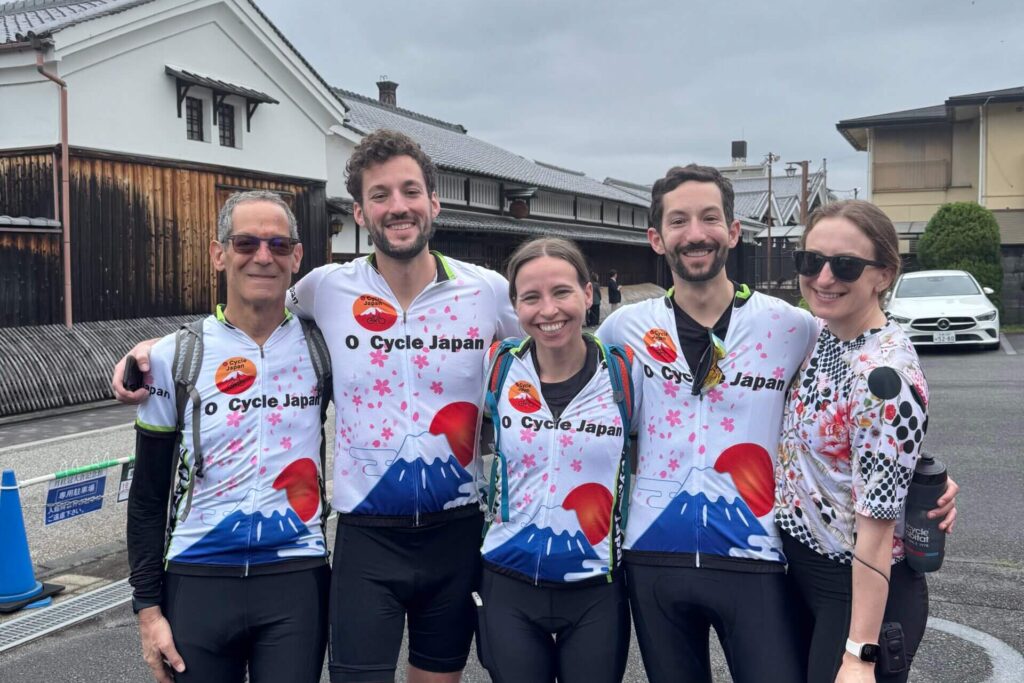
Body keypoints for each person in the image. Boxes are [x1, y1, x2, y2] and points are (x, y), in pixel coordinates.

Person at [114, 129, 520, 683]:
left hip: (456, 531)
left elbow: (551, 339)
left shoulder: (487, 291)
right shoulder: (326, 289)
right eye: (380, 195)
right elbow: (250, 304)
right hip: (365, 538)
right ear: (360, 210)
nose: (397, 206)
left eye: (410, 191)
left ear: (434, 202)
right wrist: (154, 351)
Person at [596, 166, 957, 683]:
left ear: (734, 231)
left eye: (709, 218)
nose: (695, 233)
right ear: (656, 238)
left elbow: (886, 411)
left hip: (761, 556)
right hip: (659, 551)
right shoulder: (620, 330)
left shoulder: (794, 325)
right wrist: (926, 478)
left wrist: (923, 483)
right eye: (679, 220)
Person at [127, 190, 331, 683]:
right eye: (246, 242)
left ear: (296, 258)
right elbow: (148, 495)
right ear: (219, 254)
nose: (263, 256)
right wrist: (148, 612)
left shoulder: (322, 347)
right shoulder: (174, 357)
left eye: (279, 245)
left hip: (296, 575)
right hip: (197, 575)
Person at [775, 200, 938, 682]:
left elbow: (879, 525)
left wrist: (859, 654)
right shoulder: (823, 333)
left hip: (859, 584)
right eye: (810, 261)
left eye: (844, 265)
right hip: (804, 567)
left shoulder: (884, 376)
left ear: (883, 275)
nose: (823, 278)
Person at [475, 238, 642, 683]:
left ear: (588, 294)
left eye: (562, 292)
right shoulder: (500, 367)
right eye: (531, 297)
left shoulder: (624, 373)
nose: (548, 310)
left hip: (595, 587)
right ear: (515, 306)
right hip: (508, 578)